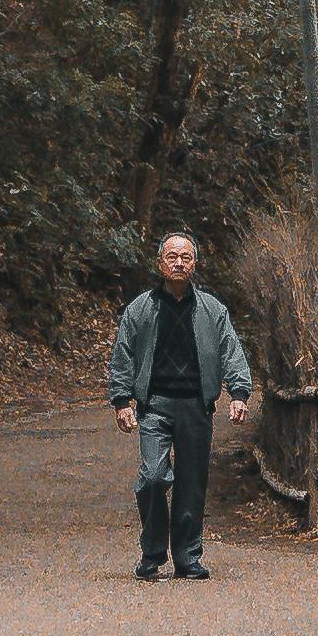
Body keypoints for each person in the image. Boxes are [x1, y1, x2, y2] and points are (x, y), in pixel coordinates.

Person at [107, 225, 255, 582]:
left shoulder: (212, 310)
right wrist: (121, 400)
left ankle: (188, 556)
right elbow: (123, 355)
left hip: (195, 406)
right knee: (154, 477)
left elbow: (230, 350)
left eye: (185, 257)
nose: (178, 263)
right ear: (160, 263)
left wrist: (239, 393)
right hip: (154, 405)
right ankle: (152, 553)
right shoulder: (141, 309)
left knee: (192, 482)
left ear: (194, 264)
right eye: (171, 257)